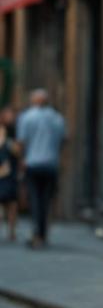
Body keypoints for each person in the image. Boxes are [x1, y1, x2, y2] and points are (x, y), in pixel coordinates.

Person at [17, 89, 66, 248]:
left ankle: (37, 233)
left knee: (35, 200)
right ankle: (43, 233)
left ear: (34, 101)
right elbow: (64, 140)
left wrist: (21, 160)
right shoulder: (57, 118)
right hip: (51, 163)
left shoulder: (27, 117)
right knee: (46, 200)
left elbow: (21, 142)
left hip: (32, 163)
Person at [0, 106, 20, 240]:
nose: (10, 118)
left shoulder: (16, 131)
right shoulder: (1, 131)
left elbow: (18, 151)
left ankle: (11, 231)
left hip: (11, 171)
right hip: (1, 171)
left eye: (12, 115)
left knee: (12, 202)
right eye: (7, 115)